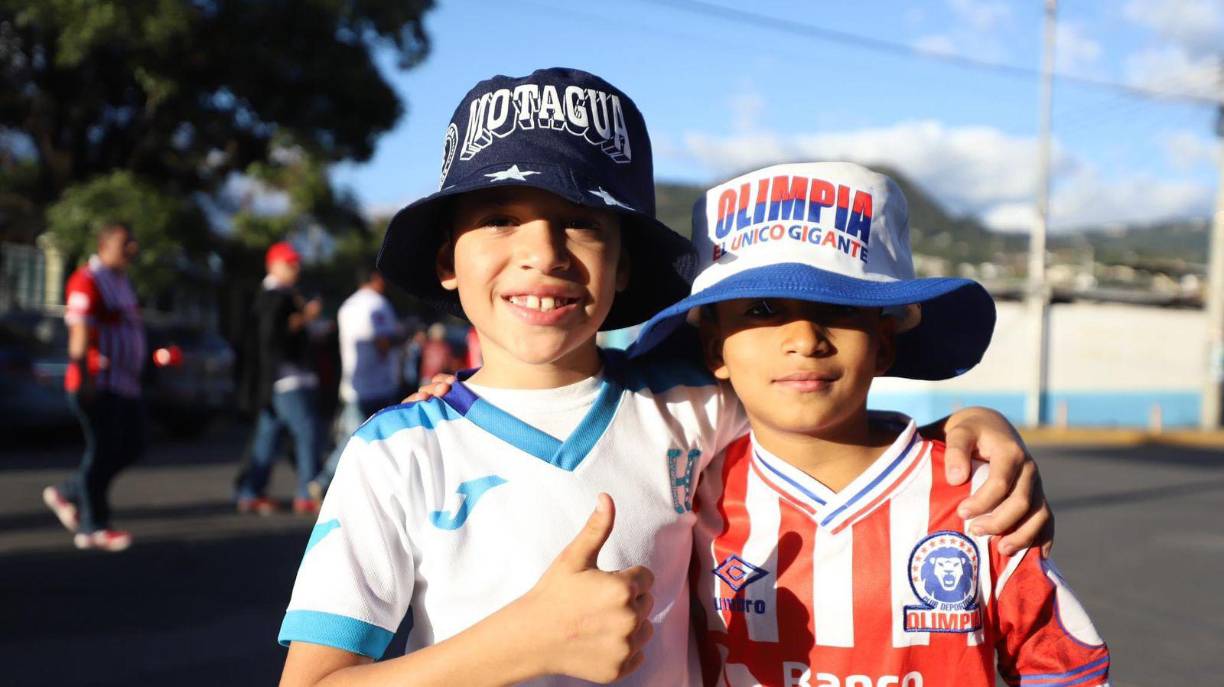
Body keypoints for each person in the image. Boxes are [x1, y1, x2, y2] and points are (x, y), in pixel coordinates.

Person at [277, 68, 1049, 686]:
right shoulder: (394, 453)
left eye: (582, 220)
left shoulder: (691, 404)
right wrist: (519, 643)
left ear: (626, 264)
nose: (543, 252)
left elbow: (823, 413)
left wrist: (968, 429)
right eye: (500, 218)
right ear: (447, 259)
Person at [631, 162, 1108, 686]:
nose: (805, 338)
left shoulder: (977, 495)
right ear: (713, 348)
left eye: (837, 307)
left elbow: (1059, 666)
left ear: (883, 343)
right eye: (763, 309)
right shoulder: (691, 499)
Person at [42, 221, 146, 552]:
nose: (132, 248)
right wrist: (84, 375)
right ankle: (93, 526)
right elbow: (79, 332)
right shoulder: (87, 280)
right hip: (98, 383)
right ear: (104, 245)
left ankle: (68, 492)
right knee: (102, 450)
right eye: (124, 242)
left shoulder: (122, 282)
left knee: (131, 446)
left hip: (124, 384)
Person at [235, 241, 324, 515]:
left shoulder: (280, 294)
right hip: (285, 378)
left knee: (268, 436)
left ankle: (250, 491)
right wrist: (305, 317)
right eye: (289, 263)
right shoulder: (273, 296)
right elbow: (273, 337)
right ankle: (307, 491)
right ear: (273, 265)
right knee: (307, 430)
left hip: (274, 380)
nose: (296, 268)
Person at [309, 268, 403, 497]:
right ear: (376, 278)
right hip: (377, 383)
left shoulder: (347, 306)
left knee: (355, 438)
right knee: (364, 439)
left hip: (353, 383)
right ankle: (324, 481)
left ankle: (337, 485)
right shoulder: (377, 304)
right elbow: (383, 342)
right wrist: (403, 335)